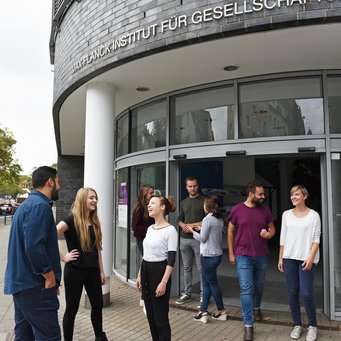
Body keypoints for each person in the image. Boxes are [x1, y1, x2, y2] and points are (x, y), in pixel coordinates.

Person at [4, 166, 62, 341]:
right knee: (49, 337)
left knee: (24, 336)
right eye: (58, 181)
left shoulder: (26, 206)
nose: (59, 186)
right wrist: (50, 277)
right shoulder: (40, 206)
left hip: (23, 286)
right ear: (50, 182)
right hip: (35, 287)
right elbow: (34, 247)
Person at [57, 187, 108, 341]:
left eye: (95, 198)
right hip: (75, 271)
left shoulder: (94, 221)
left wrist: (101, 271)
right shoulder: (70, 219)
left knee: (97, 306)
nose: (94, 201)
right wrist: (64, 257)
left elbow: (98, 248)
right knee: (72, 309)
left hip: (92, 271)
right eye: (91, 198)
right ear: (82, 199)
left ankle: (100, 337)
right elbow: (50, 235)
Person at [227, 180, 276, 341]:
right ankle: (248, 325)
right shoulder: (237, 210)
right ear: (250, 194)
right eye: (260, 194)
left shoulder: (265, 209)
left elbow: (272, 228)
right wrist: (231, 254)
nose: (263, 196)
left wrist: (269, 234)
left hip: (261, 254)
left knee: (259, 285)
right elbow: (230, 231)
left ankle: (256, 307)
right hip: (243, 255)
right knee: (246, 288)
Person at [278, 185, 321, 341]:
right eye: (291, 195)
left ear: (305, 196)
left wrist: (310, 258)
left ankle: (312, 326)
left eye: (297, 194)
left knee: (307, 293)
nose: (293, 197)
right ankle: (297, 324)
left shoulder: (314, 216)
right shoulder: (286, 215)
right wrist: (280, 257)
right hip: (289, 258)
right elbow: (283, 237)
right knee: (292, 292)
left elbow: (316, 239)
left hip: (306, 259)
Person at [136, 195, 178, 341]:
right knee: (150, 314)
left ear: (162, 207)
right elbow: (146, 254)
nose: (148, 205)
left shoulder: (170, 230)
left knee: (160, 316)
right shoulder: (150, 229)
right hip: (146, 269)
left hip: (160, 272)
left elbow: (171, 259)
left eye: (152, 203)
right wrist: (140, 274)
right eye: (148, 203)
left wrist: (164, 282)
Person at [188, 195, 227, 323]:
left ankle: (221, 310)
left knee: (212, 284)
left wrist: (192, 231)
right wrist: (201, 229)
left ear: (207, 206)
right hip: (217, 255)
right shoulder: (219, 218)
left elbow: (203, 239)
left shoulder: (207, 219)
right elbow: (211, 233)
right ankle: (203, 311)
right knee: (206, 283)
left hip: (208, 256)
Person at [176, 176, 205, 305]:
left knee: (201, 268)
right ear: (186, 187)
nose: (193, 188)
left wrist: (191, 225)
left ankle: (204, 295)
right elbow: (179, 219)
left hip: (198, 239)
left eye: (195, 186)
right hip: (184, 239)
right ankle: (187, 293)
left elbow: (208, 220)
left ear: (198, 186)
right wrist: (183, 226)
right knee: (186, 268)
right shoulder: (183, 202)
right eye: (190, 186)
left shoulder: (204, 201)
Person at [131, 184, 154, 310]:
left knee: (146, 266)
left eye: (153, 192)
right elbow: (135, 227)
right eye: (150, 193)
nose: (152, 195)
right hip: (143, 240)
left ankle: (146, 296)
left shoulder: (150, 206)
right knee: (146, 266)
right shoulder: (139, 208)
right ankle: (144, 297)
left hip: (149, 240)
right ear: (144, 195)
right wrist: (150, 230)